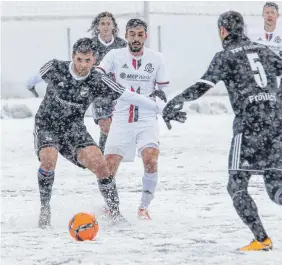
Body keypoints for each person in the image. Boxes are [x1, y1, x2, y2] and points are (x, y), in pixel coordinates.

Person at [162, 11, 282, 251]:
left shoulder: (225, 56)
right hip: (278, 120)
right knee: (276, 188)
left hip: (250, 122)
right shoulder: (262, 49)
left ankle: (262, 239)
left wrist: (176, 100)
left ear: (222, 31)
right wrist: (276, 97)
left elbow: (203, 85)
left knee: (236, 185)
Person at [26, 37, 167, 228]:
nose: (82, 65)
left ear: (94, 60)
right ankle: (45, 210)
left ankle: (115, 213)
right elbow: (32, 79)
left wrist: (161, 109)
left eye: (87, 60)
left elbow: (129, 96)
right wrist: (31, 86)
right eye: (79, 59)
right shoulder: (55, 68)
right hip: (47, 124)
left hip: (74, 127)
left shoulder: (98, 80)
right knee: (49, 160)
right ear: (73, 57)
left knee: (101, 166)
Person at [93, 19, 180, 220]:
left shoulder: (156, 58)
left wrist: (162, 104)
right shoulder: (114, 55)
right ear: (126, 35)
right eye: (132, 34)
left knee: (151, 159)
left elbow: (161, 90)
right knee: (107, 168)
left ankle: (143, 207)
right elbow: (98, 74)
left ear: (145, 36)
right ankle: (111, 207)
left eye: (140, 34)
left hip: (147, 118)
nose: (136, 38)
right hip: (121, 118)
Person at [88, 11, 128, 153]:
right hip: (98, 93)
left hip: (118, 91)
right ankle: (104, 161)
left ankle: (109, 157)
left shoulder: (122, 45)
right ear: (97, 26)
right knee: (105, 126)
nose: (105, 27)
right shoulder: (90, 45)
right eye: (102, 23)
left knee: (116, 127)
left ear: (113, 26)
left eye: (108, 23)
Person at [247, 2, 282, 67]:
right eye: (267, 12)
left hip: (279, 72)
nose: (270, 15)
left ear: (277, 15)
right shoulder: (252, 33)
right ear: (263, 15)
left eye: (272, 12)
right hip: (261, 72)